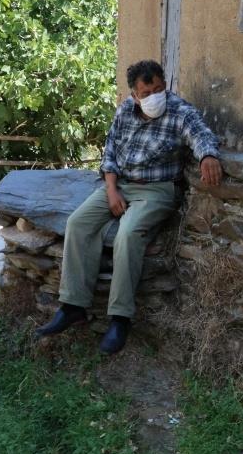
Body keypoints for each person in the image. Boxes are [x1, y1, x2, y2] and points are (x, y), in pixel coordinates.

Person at [36, 59, 222, 354]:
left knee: (128, 233)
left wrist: (207, 156)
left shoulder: (179, 110)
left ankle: (120, 318)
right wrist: (111, 191)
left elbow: (200, 133)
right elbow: (110, 152)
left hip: (157, 190)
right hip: (119, 185)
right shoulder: (125, 110)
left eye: (159, 89)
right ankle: (73, 305)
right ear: (135, 95)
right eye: (147, 93)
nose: (154, 96)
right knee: (78, 224)